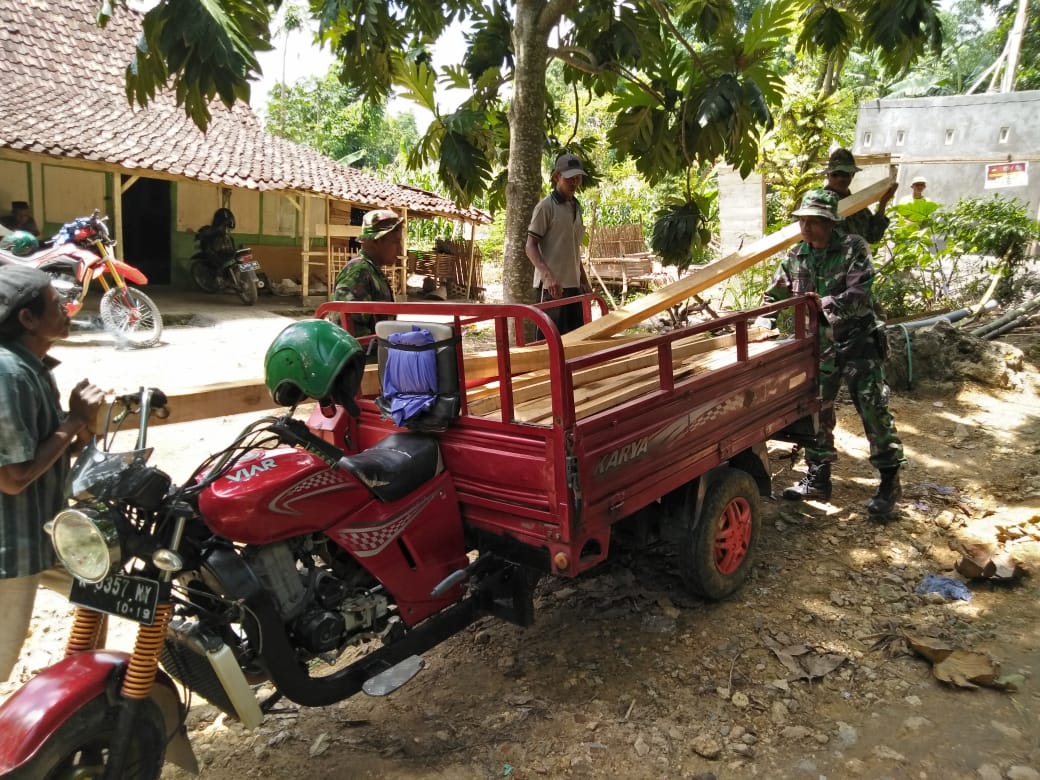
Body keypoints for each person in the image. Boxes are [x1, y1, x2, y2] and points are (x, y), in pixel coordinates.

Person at [764, 190, 905, 519]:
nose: (807, 228)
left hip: (858, 344)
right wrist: (763, 319)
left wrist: (819, 304)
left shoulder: (853, 248)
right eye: (803, 221)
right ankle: (818, 477)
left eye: (814, 222)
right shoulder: (797, 255)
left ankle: (889, 483)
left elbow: (859, 293)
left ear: (830, 223)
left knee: (873, 410)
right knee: (816, 412)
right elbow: (774, 295)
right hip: (819, 349)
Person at [0, 266, 106, 681]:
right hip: (12, 547)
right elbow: (13, 478)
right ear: (27, 319)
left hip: (46, 531)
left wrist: (80, 425)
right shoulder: (8, 375)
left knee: (102, 595)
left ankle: (81, 699)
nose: (67, 308)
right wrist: (75, 420)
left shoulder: (34, 367)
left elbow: (50, 445)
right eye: (56, 304)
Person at [526, 152, 593, 335]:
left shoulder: (576, 207)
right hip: (551, 288)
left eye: (578, 178)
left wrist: (584, 281)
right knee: (549, 342)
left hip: (574, 286)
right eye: (570, 178)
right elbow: (530, 246)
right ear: (557, 176)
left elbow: (573, 249)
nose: (574, 183)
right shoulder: (545, 207)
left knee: (575, 340)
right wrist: (548, 276)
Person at [331, 209, 403, 339]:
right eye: (396, 242)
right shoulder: (358, 272)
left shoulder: (373, 272)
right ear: (376, 241)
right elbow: (347, 332)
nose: (401, 249)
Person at [822, 149, 897, 244]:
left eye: (845, 174)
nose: (840, 179)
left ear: (852, 175)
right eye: (835, 175)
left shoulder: (858, 206)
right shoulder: (816, 203)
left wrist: (883, 202)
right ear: (828, 175)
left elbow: (873, 236)